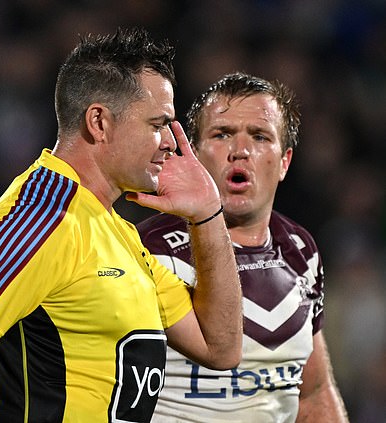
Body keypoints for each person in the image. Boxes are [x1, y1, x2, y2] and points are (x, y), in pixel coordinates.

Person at [0, 27, 241, 423]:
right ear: (99, 122)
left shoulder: (114, 229)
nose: (171, 142)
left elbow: (219, 346)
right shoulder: (40, 220)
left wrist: (207, 215)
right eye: (157, 125)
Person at [137, 72, 349, 422]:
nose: (240, 151)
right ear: (192, 153)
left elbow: (313, 393)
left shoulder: (301, 251)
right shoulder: (148, 251)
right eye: (222, 135)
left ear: (284, 162)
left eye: (260, 136)